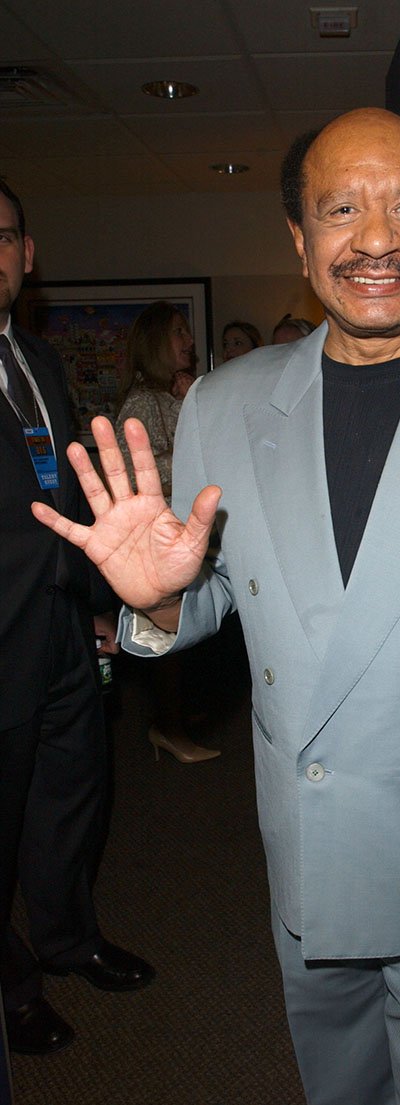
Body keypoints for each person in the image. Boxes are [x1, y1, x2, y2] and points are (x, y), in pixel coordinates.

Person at [33, 108, 400, 1104]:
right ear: (301, 242)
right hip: (306, 844)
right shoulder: (227, 401)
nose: (375, 238)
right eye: (341, 209)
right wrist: (159, 600)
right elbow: (222, 589)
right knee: (335, 1080)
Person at [0, 179, 153, 1057]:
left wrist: (97, 605)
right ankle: (15, 985)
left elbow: (69, 501)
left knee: (70, 801)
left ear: (29, 252)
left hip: (64, 629)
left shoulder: (41, 359)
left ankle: (67, 938)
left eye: (5, 234)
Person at [115, 302, 220, 764]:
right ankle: (168, 728)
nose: (190, 341)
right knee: (168, 642)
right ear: (157, 342)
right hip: (156, 545)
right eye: (179, 333)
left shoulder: (171, 395)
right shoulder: (142, 401)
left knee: (189, 635)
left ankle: (176, 717)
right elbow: (136, 475)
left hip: (184, 538)